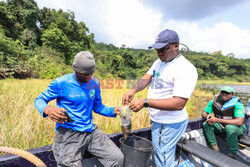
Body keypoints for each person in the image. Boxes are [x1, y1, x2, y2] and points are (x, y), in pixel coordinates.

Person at [122, 29, 198, 167]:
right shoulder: (160, 62)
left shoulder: (185, 69)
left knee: (163, 161)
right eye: (157, 50)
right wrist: (132, 90)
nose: (159, 53)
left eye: (163, 49)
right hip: (158, 121)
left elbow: (178, 103)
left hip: (169, 124)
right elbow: (147, 78)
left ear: (176, 46)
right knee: (163, 153)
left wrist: (145, 102)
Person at [34, 51, 124, 167]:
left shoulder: (94, 83)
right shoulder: (61, 83)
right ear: (75, 70)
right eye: (84, 74)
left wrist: (113, 111)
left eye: (90, 74)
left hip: (90, 132)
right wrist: (48, 109)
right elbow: (39, 100)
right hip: (68, 133)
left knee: (117, 158)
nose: (88, 77)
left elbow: (97, 106)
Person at [201, 86, 246, 159]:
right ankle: (215, 148)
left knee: (230, 128)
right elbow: (204, 113)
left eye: (227, 93)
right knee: (206, 124)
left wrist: (217, 120)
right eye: (223, 92)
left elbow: (239, 122)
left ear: (232, 95)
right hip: (221, 126)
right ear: (220, 93)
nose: (224, 94)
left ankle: (232, 154)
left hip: (237, 128)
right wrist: (209, 118)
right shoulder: (214, 101)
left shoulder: (237, 104)